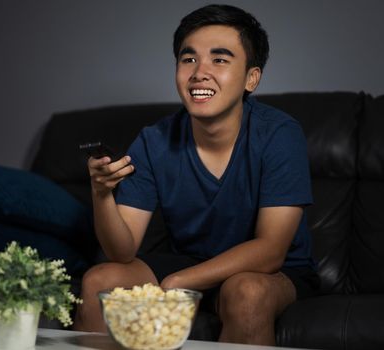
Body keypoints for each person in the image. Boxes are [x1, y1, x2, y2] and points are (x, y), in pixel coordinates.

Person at [73, 4, 319, 346]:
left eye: (220, 59)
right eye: (188, 59)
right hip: (190, 260)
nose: (199, 72)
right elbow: (121, 250)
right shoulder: (154, 140)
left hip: (273, 272)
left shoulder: (279, 134)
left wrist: (177, 282)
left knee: (245, 291)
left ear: (252, 78)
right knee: (100, 280)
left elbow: (271, 250)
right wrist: (101, 192)